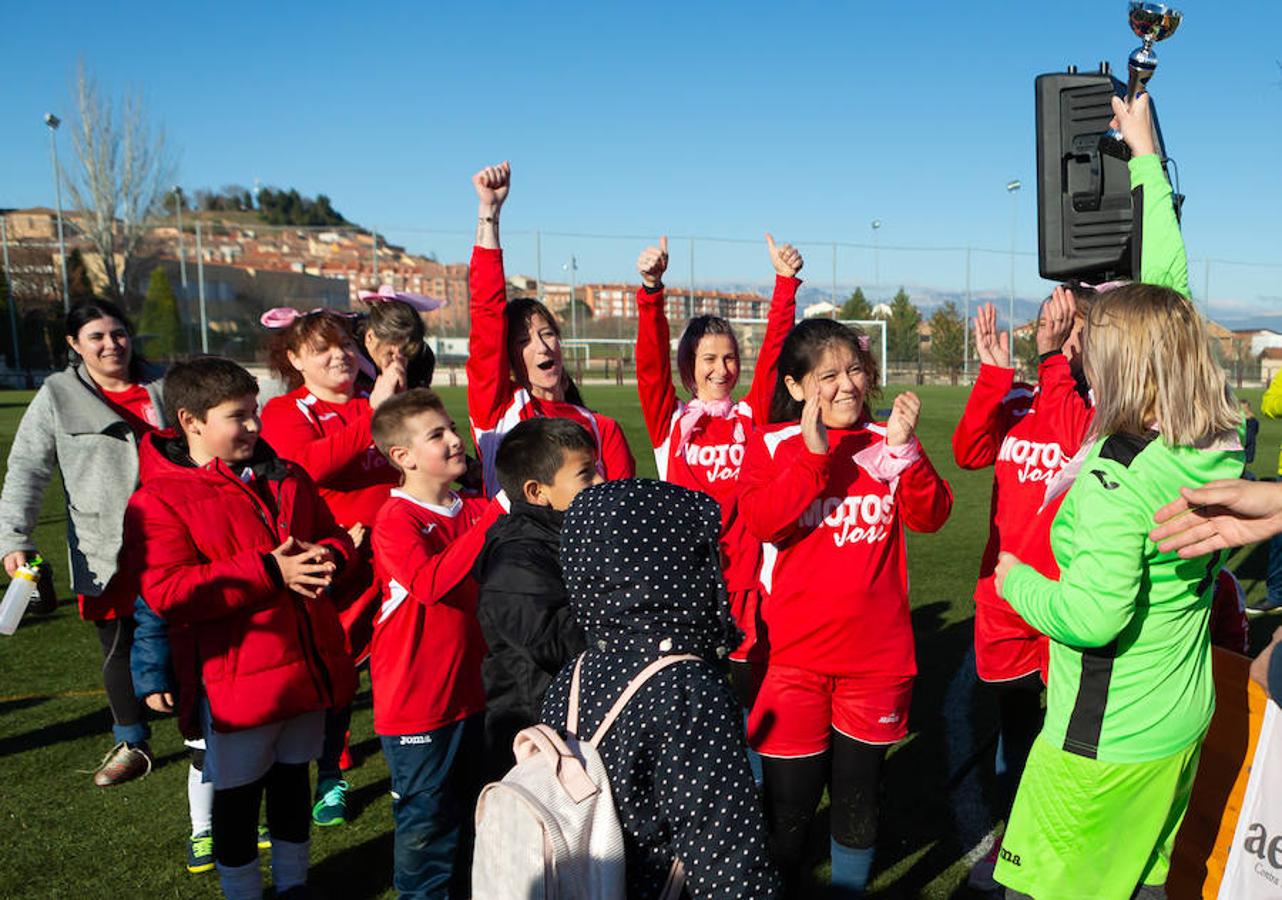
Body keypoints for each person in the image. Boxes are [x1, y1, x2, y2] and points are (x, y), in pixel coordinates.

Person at [991, 284, 1244, 899]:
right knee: (1144, 883)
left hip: (1107, 738)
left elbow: (1094, 615)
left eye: (1090, 341)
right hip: (1178, 723)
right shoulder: (1215, 446)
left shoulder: (1117, 466)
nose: (1080, 351)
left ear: (1119, 359)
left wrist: (1016, 581)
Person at [124, 356, 356, 900]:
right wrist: (270, 570)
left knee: (292, 783)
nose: (254, 427)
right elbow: (168, 591)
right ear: (191, 421)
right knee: (236, 797)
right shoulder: (159, 498)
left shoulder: (287, 474)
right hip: (237, 683)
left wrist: (331, 557)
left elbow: (335, 537)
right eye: (238, 416)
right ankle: (243, 891)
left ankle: (294, 883)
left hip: (307, 669)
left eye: (255, 413)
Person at [738, 319, 954, 896]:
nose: (847, 386)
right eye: (828, 375)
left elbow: (932, 517)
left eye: (855, 370)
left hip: (876, 664)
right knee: (788, 810)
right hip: (793, 664)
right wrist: (812, 460)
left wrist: (905, 451)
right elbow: (761, 522)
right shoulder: (773, 444)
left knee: (859, 799)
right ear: (798, 384)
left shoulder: (888, 439)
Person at [541, 478, 781, 898]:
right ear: (667, 566)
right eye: (701, 554)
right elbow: (728, 860)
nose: (715, 565)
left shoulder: (577, 670)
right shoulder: (687, 689)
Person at [633, 230, 799, 738]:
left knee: (754, 710)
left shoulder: (752, 418)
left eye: (728, 358)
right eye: (708, 359)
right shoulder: (672, 426)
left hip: (750, 588)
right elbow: (650, 368)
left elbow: (775, 355)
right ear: (690, 366)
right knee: (697, 712)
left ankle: (753, 787)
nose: (721, 369)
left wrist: (786, 284)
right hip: (690, 593)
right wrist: (651, 292)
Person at [950, 289, 1091, 887]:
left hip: (1064, 603)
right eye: (1048, 321)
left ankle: (1066, 843)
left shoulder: (1096, 408)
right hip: (1005, 599)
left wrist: (1054, 361)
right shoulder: (1014, 401)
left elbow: (1066, 437)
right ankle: (1013, 838)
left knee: (1067, 733)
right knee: (1013, 729)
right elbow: (967, 451)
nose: (1055, 330)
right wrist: (993, 374)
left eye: (1069, 324)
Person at [0, 300, 164, 786]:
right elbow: (28, 467)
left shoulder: (165, 384)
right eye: (96, 336)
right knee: (117, 642)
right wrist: (14, 536)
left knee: (191, 637)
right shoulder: (57, 394)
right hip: (103, 543)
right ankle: (133, 742)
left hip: (178, 536)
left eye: (118, 333)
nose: (111, 344)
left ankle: (214, 734)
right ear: (73, 344)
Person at [260, 308, 405, 827]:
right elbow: (308, 466)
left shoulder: (376, 404)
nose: (338, 355)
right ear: (296, 359)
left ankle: (405, 766)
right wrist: (376, 417)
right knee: (335, 675)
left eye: (344, 343)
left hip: (394, 561)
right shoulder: (284, 410)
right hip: (330, 566)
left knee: (397, 669)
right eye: (322, 348)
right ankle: (330, 776)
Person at [368, 388, 503, 899]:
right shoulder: (395, 519)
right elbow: (429, 584)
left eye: (451, 428)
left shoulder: (473, 508)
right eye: (437, 434)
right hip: (418, 706)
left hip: (476, 696)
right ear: (402, 457)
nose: (454, 440)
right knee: (428, 830)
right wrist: (495, 517)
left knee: (475, 820)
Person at [467, 160, 635, 495]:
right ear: (509, 357)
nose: (542, 346)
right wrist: (489, 213)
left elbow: (619, 517)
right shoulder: (498, 410)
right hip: (512, 548)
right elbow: (486, 313)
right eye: (523, 340)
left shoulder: (601, 429)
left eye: (547, 334)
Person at [473, 417, 598, 777]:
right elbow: (559, 644)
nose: (600, 482)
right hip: (534, 731)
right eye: (586, 475)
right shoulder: (516, 561)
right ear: (536, 491)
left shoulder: (567, 536)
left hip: (573, 717)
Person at [355, 286, 441, 392]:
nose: (397, 361)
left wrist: (402, 396)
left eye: (406, 354)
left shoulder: (422, 359)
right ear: (370, 338)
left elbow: (420, 404)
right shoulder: (346, 354)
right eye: (390, 354)